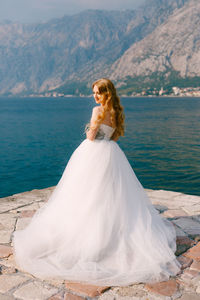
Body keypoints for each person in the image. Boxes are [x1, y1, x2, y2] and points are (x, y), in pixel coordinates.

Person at [13, 78, 180, 287]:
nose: (95, 97)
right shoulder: (117, 111)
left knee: (86, 193)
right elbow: (114, 137)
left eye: (98, 93)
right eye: (94, 93)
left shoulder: (97, 111)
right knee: (110, 195)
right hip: (111, 153)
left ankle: (91, 237)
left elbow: (91, 136)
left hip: (93, 153)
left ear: (105, 93)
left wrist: (89, 128)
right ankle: (110, 232)